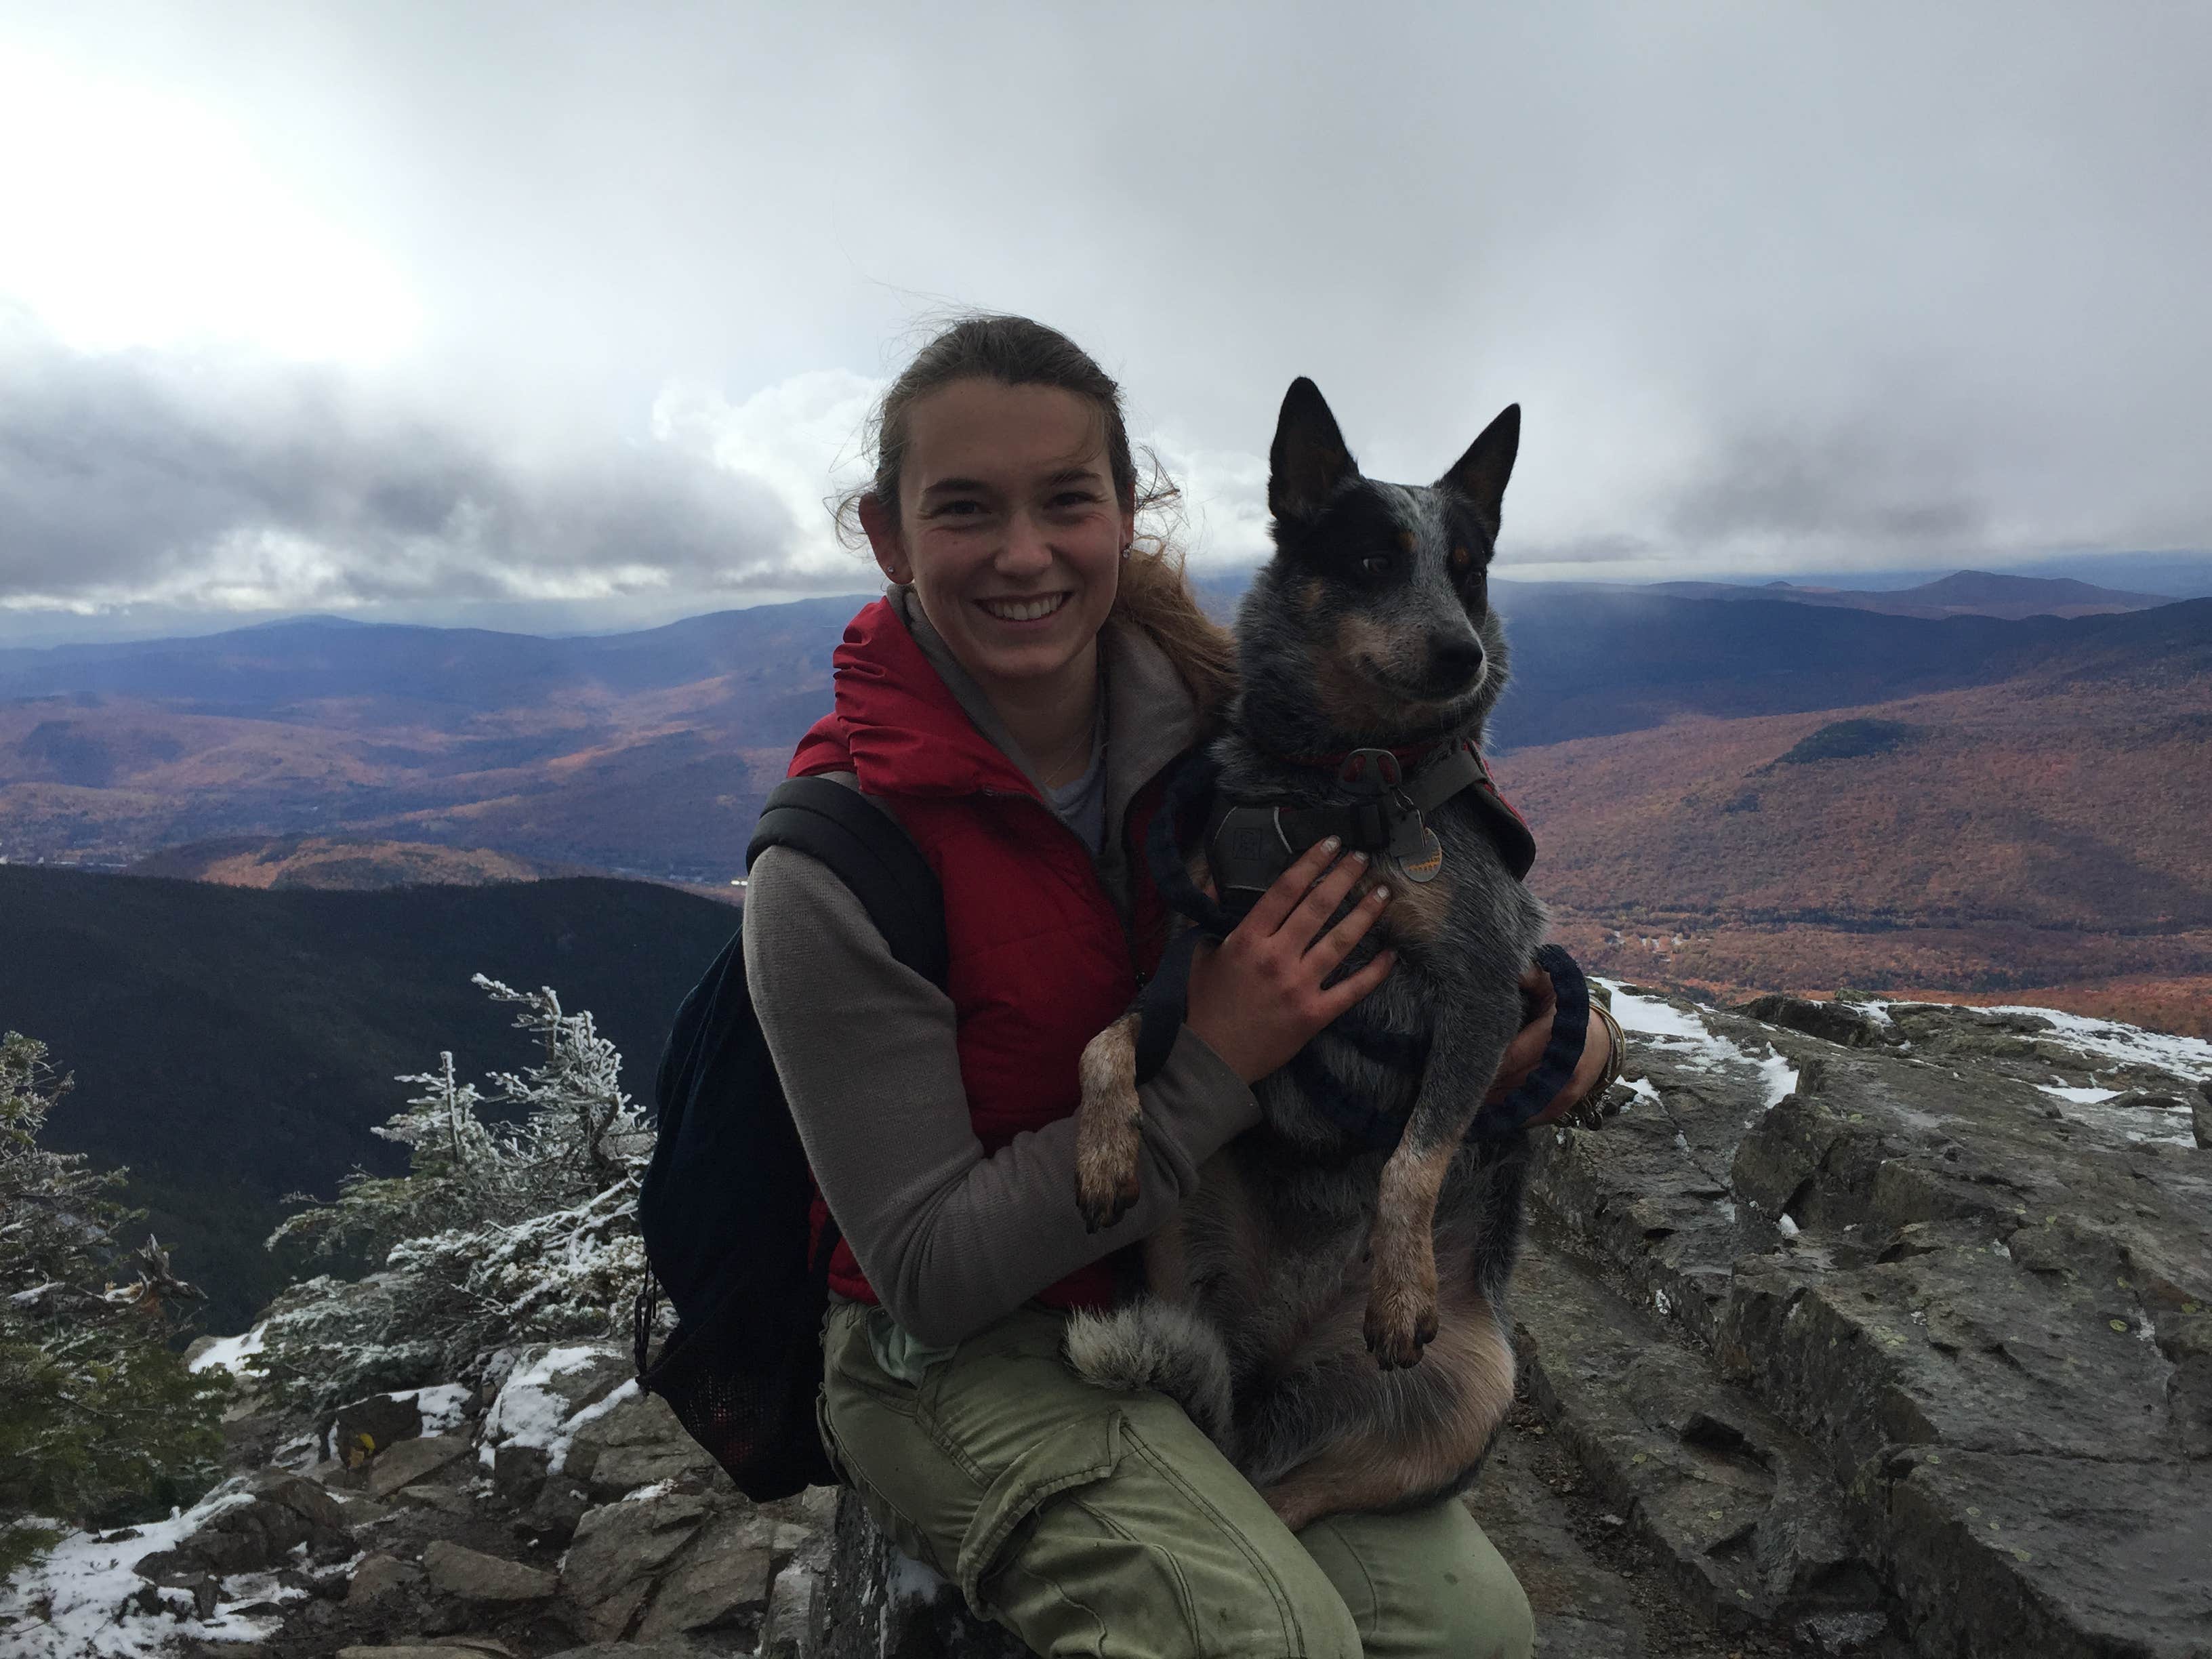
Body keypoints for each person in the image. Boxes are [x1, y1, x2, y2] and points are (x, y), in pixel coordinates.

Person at [744, 315, 1616, 1659]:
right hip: (969, 1344)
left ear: (1127, 514)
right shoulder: (836, 862)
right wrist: (1211, 1061)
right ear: (886, 534)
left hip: (1228, 1306)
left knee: (1473, 1632)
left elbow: (1475, 922)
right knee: (1265, 1640)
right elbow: (925, 1272)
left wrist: (1574, 1042)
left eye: (1066, 501)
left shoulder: (1254, 722)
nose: (1025, 554)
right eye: (966, 509)